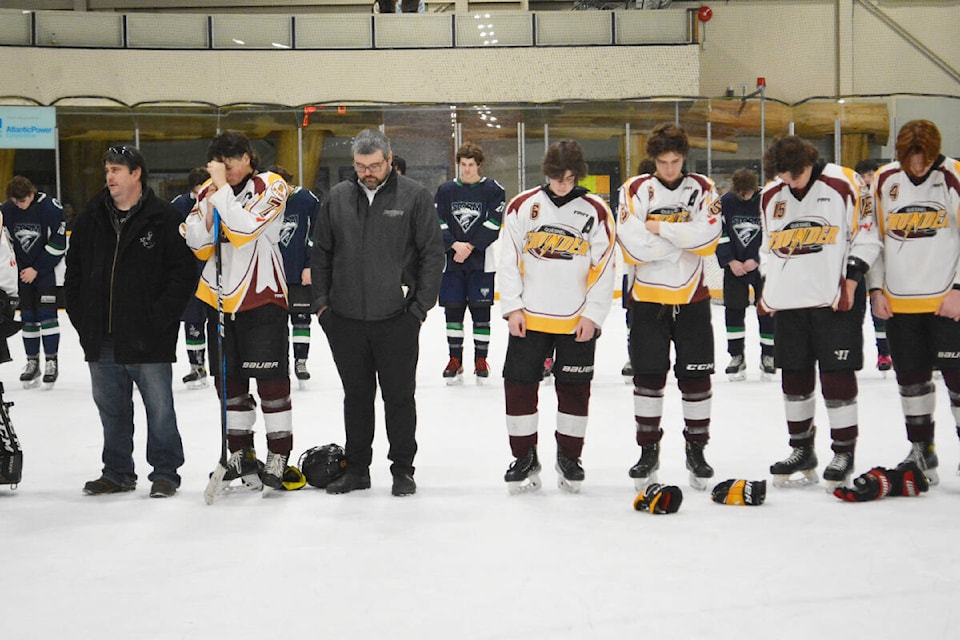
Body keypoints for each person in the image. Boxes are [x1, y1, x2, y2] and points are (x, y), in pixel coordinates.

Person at [311, 128, 444, 497]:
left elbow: (433, 254)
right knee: (356, 397)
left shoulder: (414, 196)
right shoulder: (336, 198)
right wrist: (323, 306)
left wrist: (418, 308)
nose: (366, 172)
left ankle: (402, 469)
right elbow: (321, 253)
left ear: (389, 160)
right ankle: (357, 469)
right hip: (346, 320)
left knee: (399, 398)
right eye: (359, 166)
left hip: (397, 320)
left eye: (373, 165)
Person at [65, 145, 196, 497]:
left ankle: (165, 472)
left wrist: (159, 320)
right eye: (107, 170)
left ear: (136, 173)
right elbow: (73, 272)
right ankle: (118, 472)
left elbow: (182, 276)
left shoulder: (164, 218)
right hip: (101, 337)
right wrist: (83, 320)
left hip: (148, 337)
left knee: (160, 410)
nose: (109, 177)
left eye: (116, 170)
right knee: (112, 411)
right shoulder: (92, 217)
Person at [760, 135, 881, 488]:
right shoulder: (772, 193)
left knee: (836, 375)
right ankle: (801, 448)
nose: (787, 182)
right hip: (791, 303)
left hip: (835, 298)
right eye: (781, 176)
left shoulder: (846, 182)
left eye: (793, 176)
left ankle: (843, 451)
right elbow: (770, 248)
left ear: (808, 165)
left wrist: (854, 278)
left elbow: (867, 234)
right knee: (794, 376)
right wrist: (770, 290)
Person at [498, 140, 615, 494]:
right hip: (529, 318)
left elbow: (606, 264)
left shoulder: (595, 209)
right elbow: (508, 258)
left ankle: (569, 456)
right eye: (555, 178)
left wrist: (593, 315)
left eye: (567, 178)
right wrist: (513, 307)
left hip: (575, 319)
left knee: (575, 390)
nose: (561, 184)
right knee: (518, 387)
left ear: (578, 175)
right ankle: (524, 456)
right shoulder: (524, 205)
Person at [183, 131, 293, 491]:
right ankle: (240, 452)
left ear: (248, 158)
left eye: (231, 159)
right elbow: (198, 244)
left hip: (262, 297)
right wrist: (211, 203)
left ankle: (279, 452)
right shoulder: (210, 191)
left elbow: (245, 230)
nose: (225, 167)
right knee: (229, 385)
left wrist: (221, 196)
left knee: (271, 382)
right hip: (220, 300)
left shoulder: (271, 185)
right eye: (219, 161)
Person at [617, 123, 721, 491]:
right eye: (663, 162)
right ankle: (648, 452)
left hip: (693, 299)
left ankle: (697, 450)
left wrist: (659, 228)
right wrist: (684, 238)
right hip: (647, 301)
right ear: (653, 160)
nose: (670, 169)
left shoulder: (704, 188)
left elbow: (709, 237)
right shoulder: (635, 189)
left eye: (676, 161)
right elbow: (632, 247)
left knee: (695, 380)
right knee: (648, 379)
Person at [867, 120, 960, 486]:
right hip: (900, 301)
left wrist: (959, 288)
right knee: (911, 380)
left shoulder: (952, 174)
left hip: (945, 300)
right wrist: (876, 290)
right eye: (911, 159)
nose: (917, 167)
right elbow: (872, 237)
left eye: (924, 160)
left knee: (957, 380)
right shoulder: (885, 179)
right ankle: (922, 449)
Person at [436, 142, 505, 384]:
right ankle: (455, 359)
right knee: (453, 312)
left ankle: (481, 359)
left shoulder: (493, 190)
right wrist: (455, 245)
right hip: (452, 262)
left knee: (480, 312)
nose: (466, 169)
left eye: (471, 165)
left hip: (481, 263)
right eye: (463, 165)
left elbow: (494, 224)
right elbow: (438, 223)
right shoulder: (445, 191)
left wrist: (471, 246)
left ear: (479, 165)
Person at [1, 176, 66, 388]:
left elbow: (58, 242)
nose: (19, 205)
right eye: (15, 201)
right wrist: (20, 269)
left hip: (44, 273)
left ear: (31, 194)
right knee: (28, 318)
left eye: (22, 201)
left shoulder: (50, 208)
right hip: (21, 274)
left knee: (47, 316)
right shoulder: (7, 210)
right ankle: (32, 362)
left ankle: (51, 361)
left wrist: (37, 268)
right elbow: (7, 243)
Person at [716, 168, 776, 380]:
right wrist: (730, 261)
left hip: (760, 266)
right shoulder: (726, 201)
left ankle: (768, 355)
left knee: (767, 309)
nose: (744, 196)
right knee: (733, 310)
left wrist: (759, 259)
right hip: (735, 266)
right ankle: (737, 356)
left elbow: (773, 232)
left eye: (747, 193)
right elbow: (719, 232)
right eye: (740, 193)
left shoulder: (766, 200)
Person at [267, 165, 321, 384]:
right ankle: (279, 362)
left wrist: (310, 265)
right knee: (274, 321)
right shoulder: (265, 201)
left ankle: (301, 361)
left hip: (299, 272)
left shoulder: (307, 199)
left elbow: (317, 234)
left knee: (301, 319)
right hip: (271, 274)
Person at [171, 167, 211, 389]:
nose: (200, 197)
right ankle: (197, 366)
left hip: (216, 271)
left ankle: (225, 365)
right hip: (190, 272)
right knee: (193, 319)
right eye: (196, 193)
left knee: (218, 322)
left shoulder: (222, 202)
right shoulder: (178, 206)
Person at [853, 158, 892, 373]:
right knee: (855, 309)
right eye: (864, 175)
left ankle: (884, 352)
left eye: (871, 174)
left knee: (879, 307)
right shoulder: (854, 197)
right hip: (859, 258)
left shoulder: (885, 197)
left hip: (881, 259)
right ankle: (852, 351)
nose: (868, 179)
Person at [620, 157, 656, 381]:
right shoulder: (629, 194)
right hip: (635, 268)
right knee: (634, 314)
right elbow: (627, 231)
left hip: (669, 271)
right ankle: (634, 356)